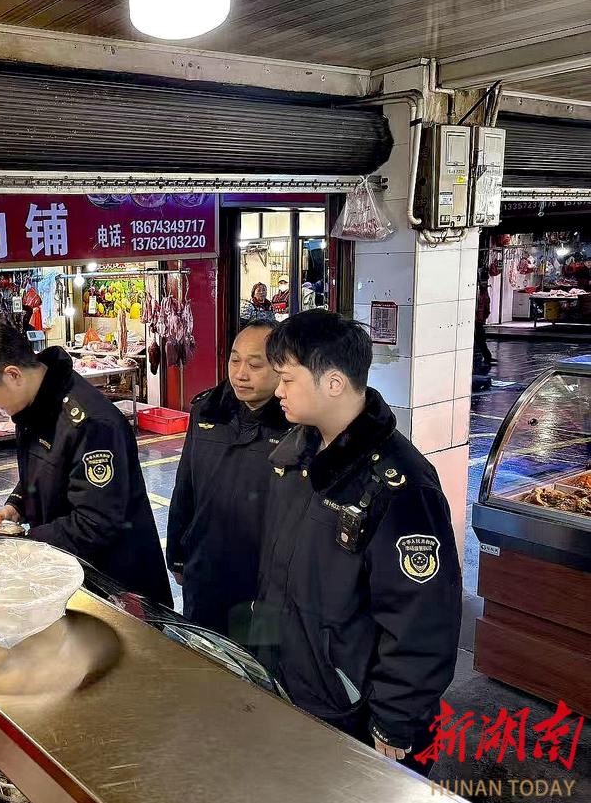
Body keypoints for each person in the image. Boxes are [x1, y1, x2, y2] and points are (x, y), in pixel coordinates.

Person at [250, 310, 460, 776]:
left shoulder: (401, 487)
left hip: (350, 710)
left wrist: (396, 719)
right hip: (288, 683)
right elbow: (276, 574)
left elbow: (422, 618)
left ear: (334, 383)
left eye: (287, 378)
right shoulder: (297, 455)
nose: (278, 390)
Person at [0, 324, 172, 606]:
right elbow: (46, 468)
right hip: (70, 569)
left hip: (114, 586)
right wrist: (17, 505)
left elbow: (95, 522)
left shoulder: (90, 423)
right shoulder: (35, 405)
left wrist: (25, 541)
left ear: (13, 375)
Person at [165, 320, 289, 640]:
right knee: (203, 654)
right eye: (235, 361)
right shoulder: (207, 411)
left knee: (255, 663)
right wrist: (177, 556)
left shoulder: (296, 425)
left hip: (262, 581)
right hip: (205, 569)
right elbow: (185, 487)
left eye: (255, 365)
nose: (241, 374)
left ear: (282, 368)